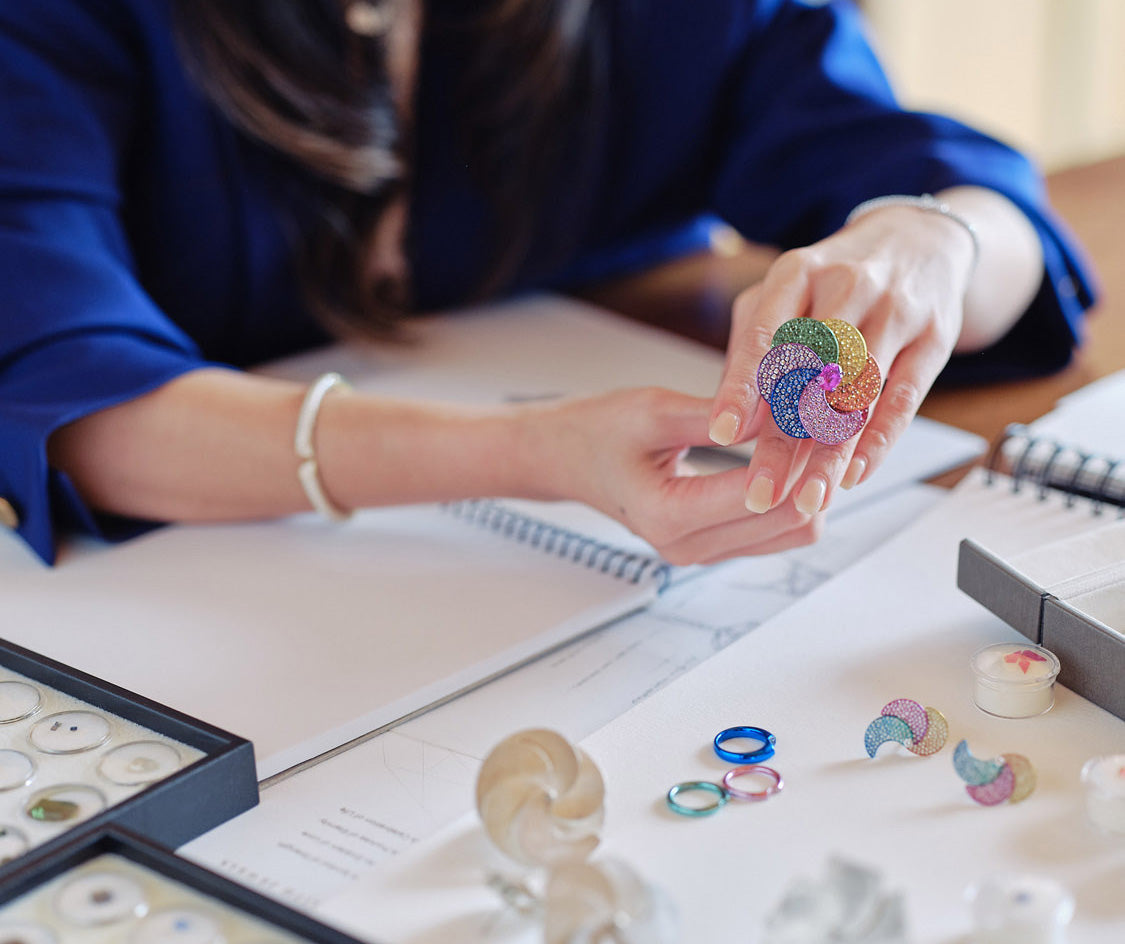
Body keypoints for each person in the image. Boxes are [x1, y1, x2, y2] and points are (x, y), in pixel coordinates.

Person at [0, 0, 1095, 566]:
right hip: (204, 573)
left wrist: (932, 245)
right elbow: (69, 391)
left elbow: (970, 198)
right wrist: (522, 452)